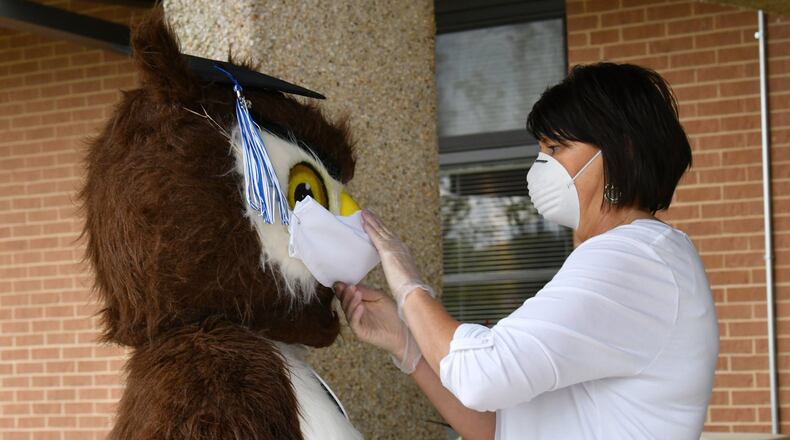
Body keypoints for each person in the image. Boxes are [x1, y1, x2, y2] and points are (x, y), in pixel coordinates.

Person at [334, 62, 719, 440]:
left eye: (556, 147)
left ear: (623, 150)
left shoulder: (633, 260)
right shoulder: (641, 256)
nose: (541, 166)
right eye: (541, 150)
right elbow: (500, 427)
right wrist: (406, 343)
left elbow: (481, 376)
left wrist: (408, 286)